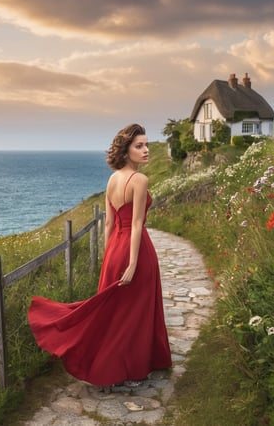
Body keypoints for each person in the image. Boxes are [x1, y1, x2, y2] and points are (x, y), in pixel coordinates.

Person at [28, 123, 172, 387]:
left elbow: (109, 223)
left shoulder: (113, 178)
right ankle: (131, 369)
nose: (146, 150)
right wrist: (132, 262)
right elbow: (138, 223)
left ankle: (111, 365)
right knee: (134, 313)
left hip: (115, 246)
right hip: (135, 250)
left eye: (147, 144)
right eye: (139, 146)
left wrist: (109, 256)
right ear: (127, 150)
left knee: (113, 313)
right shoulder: (139, 180)